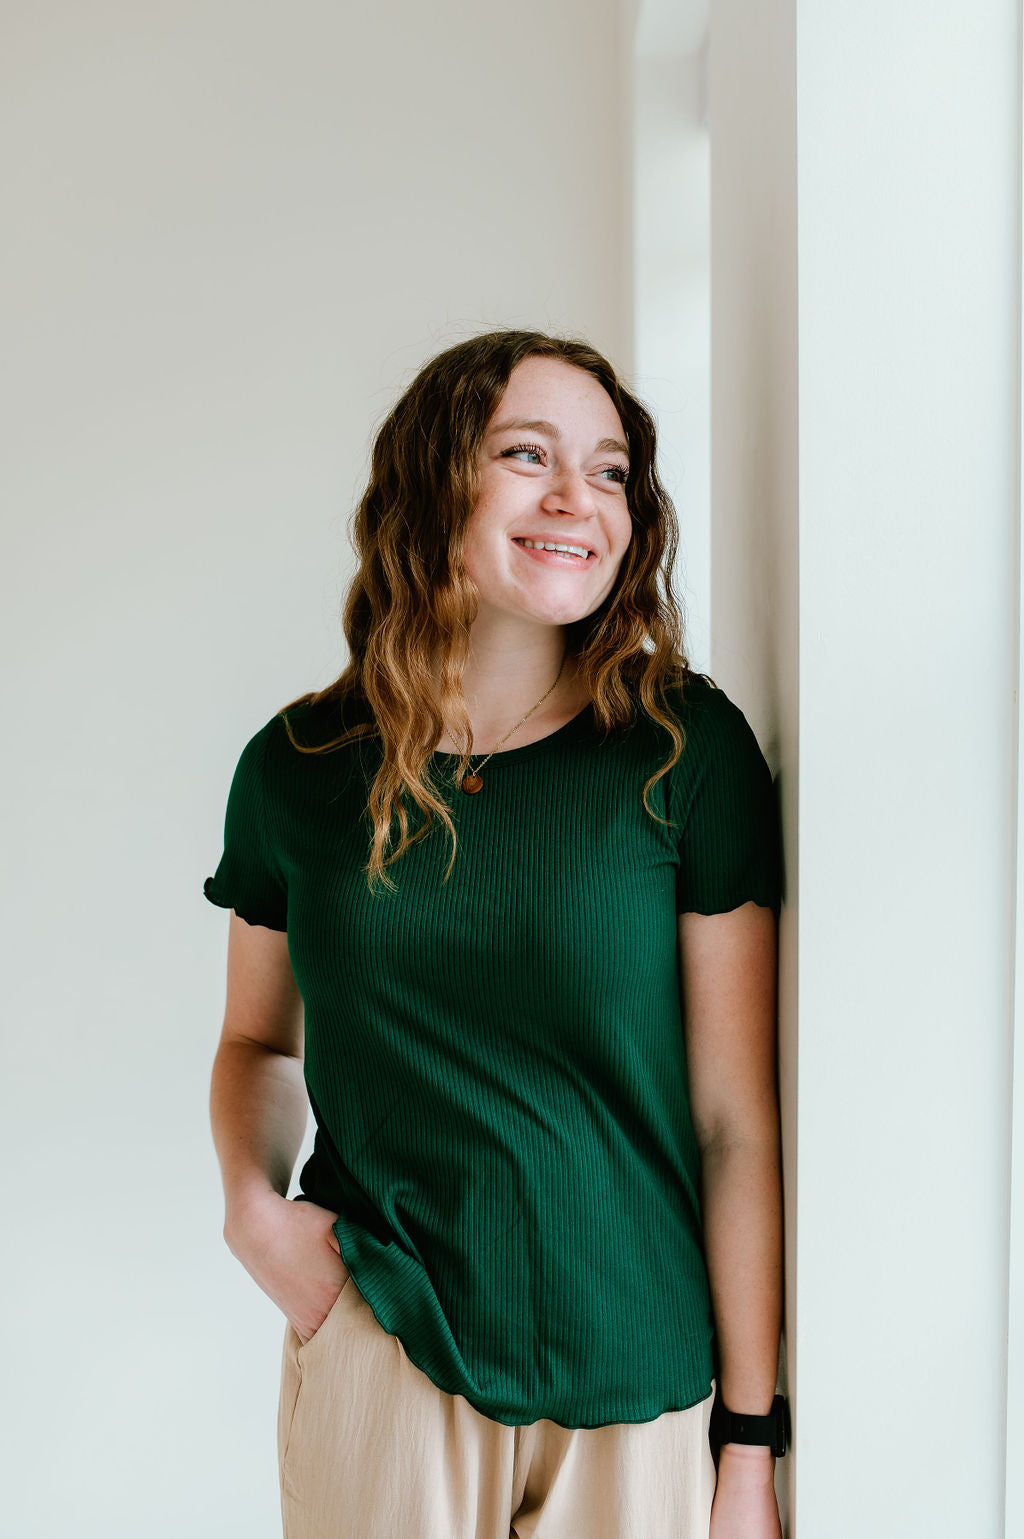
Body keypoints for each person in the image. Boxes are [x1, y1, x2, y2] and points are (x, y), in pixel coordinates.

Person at [204, 328, 788, 1539]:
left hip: (643, 1383)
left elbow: (736, 1125)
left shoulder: (683, 754)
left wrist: (747, 1444)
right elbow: (258, 1041)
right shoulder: (300, 771)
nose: (578, 496)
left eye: (612, 469)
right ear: (434, 487)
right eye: (527, 455)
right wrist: (255, 1214)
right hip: (389, 1350)